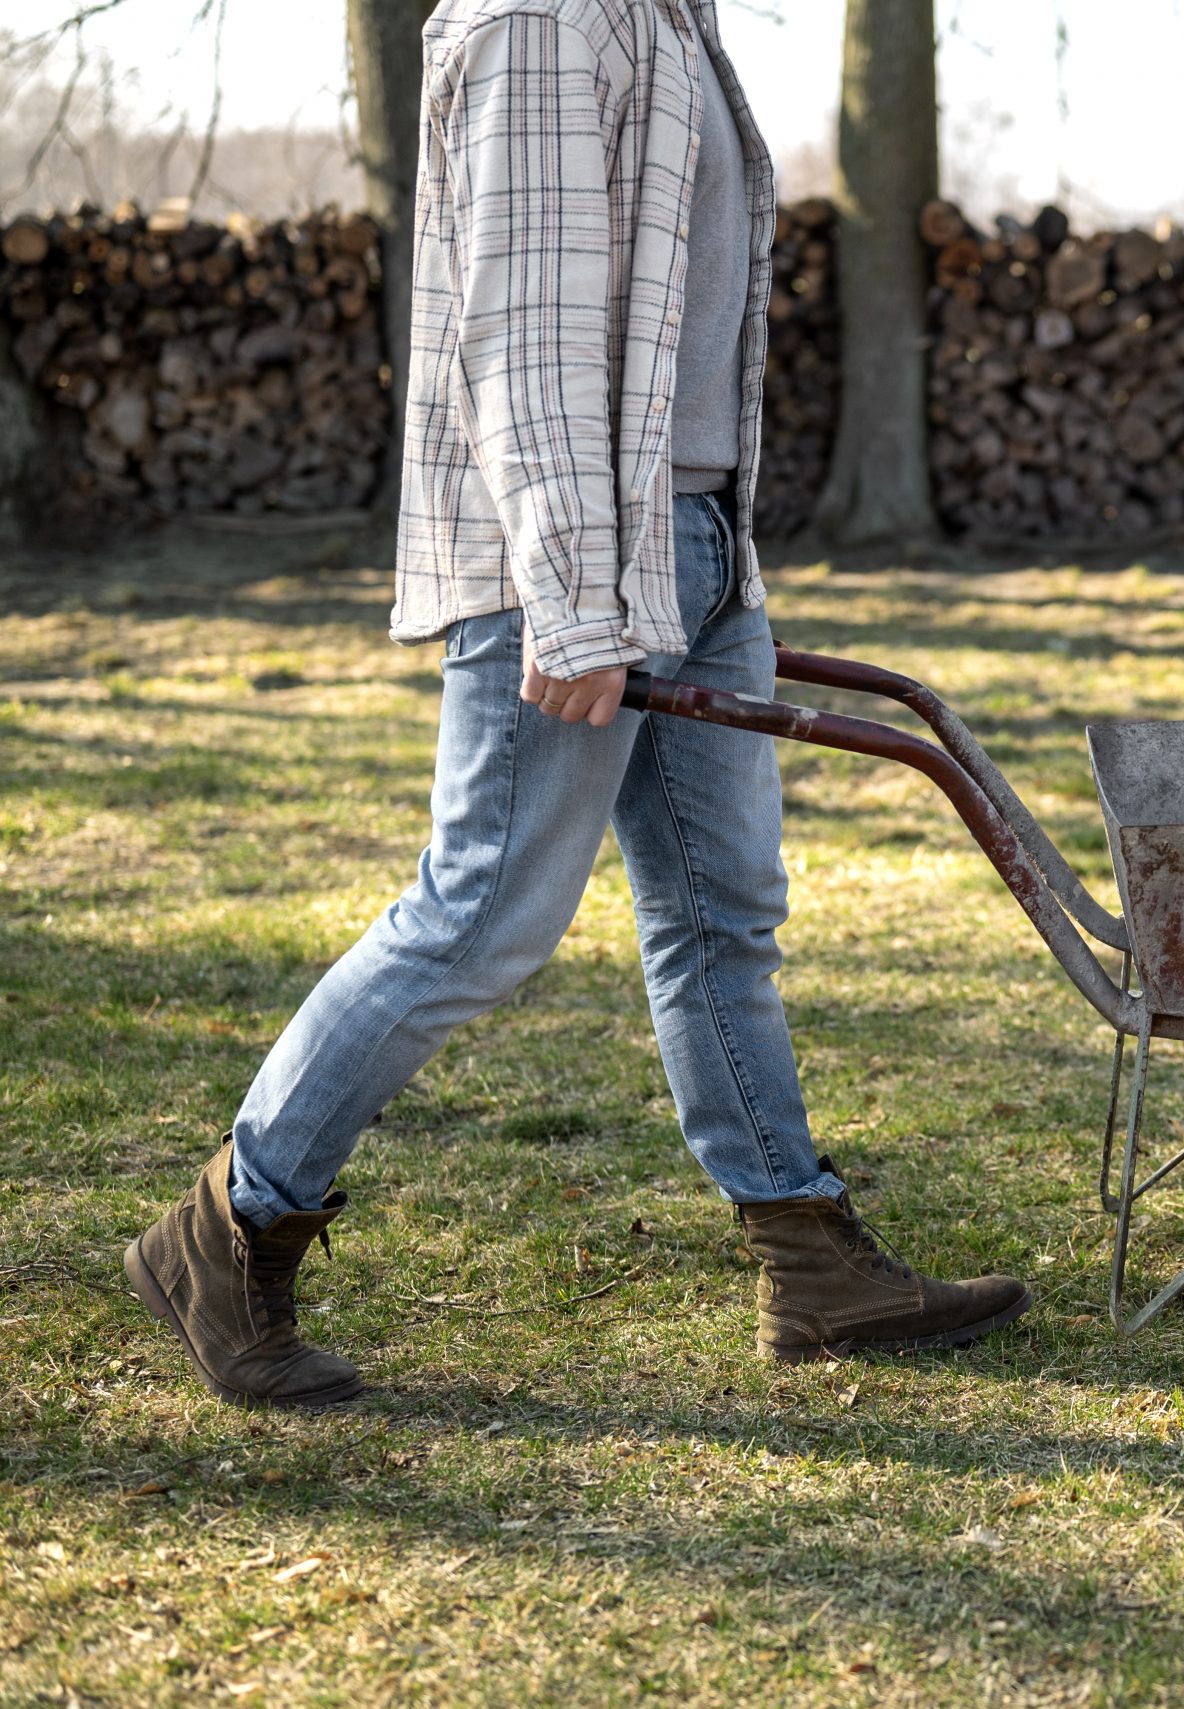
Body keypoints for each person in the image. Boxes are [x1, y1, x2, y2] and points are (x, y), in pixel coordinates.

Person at [124, 0, 1028, 1410]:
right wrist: (572, 594)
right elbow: (525, 337)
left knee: (721, 911)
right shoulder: (544, 15)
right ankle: (231, 1226)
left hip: (693, 537)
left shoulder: (665, 15)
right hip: (587, 550)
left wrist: (707, 551)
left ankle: (806, 1254)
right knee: (479, 913)